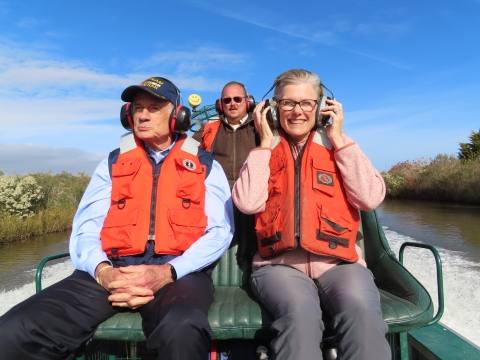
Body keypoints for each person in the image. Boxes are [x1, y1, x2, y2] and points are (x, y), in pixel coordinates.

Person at [0, 77, 234, 360]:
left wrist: (168, 272)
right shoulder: (112, 163)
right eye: (137, 108)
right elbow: (87, 227)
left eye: (155, 107)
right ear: (128, 115)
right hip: (113, 269)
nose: (143, 115)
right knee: (15, 329)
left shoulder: (206, 164)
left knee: (182, 328)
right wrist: (103, 272)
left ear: (178, 115)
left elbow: (220, 231)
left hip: (177, 275)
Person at [232, 69, 391, 359]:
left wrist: (340, 140)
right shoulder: (263, 149)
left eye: (306, 103)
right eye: (287, 103)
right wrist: (265, 145)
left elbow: (369, 198)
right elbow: (247, 203)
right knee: (299, 316)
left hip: (340, 264)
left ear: (321, 107)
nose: (296, 111)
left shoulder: (338, 145)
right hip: (278, 267)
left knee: (362, 313)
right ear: (273, 108)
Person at [193, 81, 259, 260]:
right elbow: (184, 152)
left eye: (237, 99)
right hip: (217, 200)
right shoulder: (208, 129)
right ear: (220, 104)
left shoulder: (261, 127)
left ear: (248, 102)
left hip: (253, 199)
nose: (232, 103)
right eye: (227, 100)